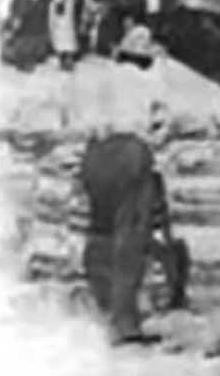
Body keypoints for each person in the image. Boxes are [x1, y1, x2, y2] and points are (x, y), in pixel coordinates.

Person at [77, 129, 188, 346]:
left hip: (96, 154)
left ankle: (106, 306)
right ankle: (124, 322)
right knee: (130, 241)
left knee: (102, 233)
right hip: (130, 156)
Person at [0, 0, 47, 70]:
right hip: (37, 25)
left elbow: (21, 10)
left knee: (23, 45)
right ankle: (28, 63)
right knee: (31, 44)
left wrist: (14, 24)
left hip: (25, 26)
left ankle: (25, 64)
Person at [48, 0, 80, 70]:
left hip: (61, 20)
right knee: (68, 41)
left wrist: (55, 17)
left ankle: (65, 63)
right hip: (67, 19)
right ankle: (68, 62)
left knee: (62, 42)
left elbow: (58, 4)